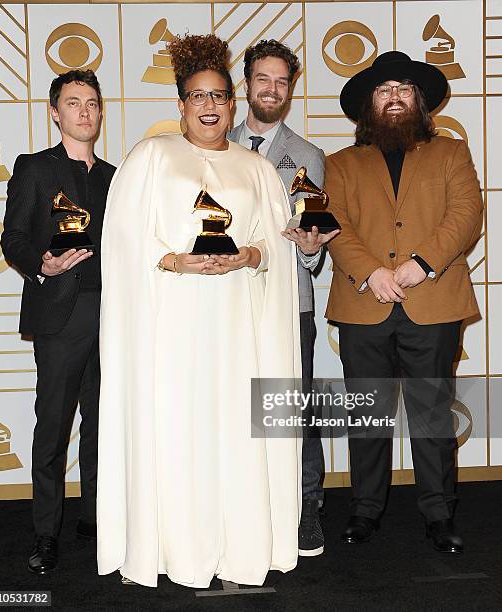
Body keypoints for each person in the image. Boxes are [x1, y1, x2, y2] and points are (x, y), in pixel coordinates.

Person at [97, 34, 302, 589]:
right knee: (178, 427)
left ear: (233, 104)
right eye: (197, 97)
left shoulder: (256, 169)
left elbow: (274, 244)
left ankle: (238, 548)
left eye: (219, 96)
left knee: (236, 429)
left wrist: (249, 255)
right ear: (181, 104)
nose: (209, 106)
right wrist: (174, 260)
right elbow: (125, 240)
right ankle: (173, 549)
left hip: (238, 326)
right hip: (174, 326)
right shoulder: (151, 157)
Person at [325, 51, 483, 553]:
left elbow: (465, 214)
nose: (394, 97)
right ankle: (364, 511)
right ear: (369, 105)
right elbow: (335, 226)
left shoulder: (451, 153)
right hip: (363, 304)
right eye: (384, 91)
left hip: (433, 301)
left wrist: (421, 264)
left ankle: (439, 514)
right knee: (366, 416)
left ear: (419, 100)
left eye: (404, 89)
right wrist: (372, 272)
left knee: (432, 414)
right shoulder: (340, 164)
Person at [1, 69, 116, 574]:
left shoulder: (117, 176)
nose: (84, 111)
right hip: (59, 316)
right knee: (52, 428)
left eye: (91, 102)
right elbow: (13, 238)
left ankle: (97, 521)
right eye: (74, 103)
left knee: (103, 427)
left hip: (114, 315)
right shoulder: (34, 168)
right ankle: (46, 533)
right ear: (55, 112)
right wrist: (40, 264)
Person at [229, 39, 339, 557]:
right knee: (230, 408)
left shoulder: (309, 157)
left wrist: (314, 251)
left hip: (288, 305)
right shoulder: (210, 144)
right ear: (245, 82)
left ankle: (305, 512)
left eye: (282, 81)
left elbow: (311, 241)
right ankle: (233, 509)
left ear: (290, 89)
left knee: (294, 411)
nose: (271, 89)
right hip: (225, 304)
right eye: (263, 79)